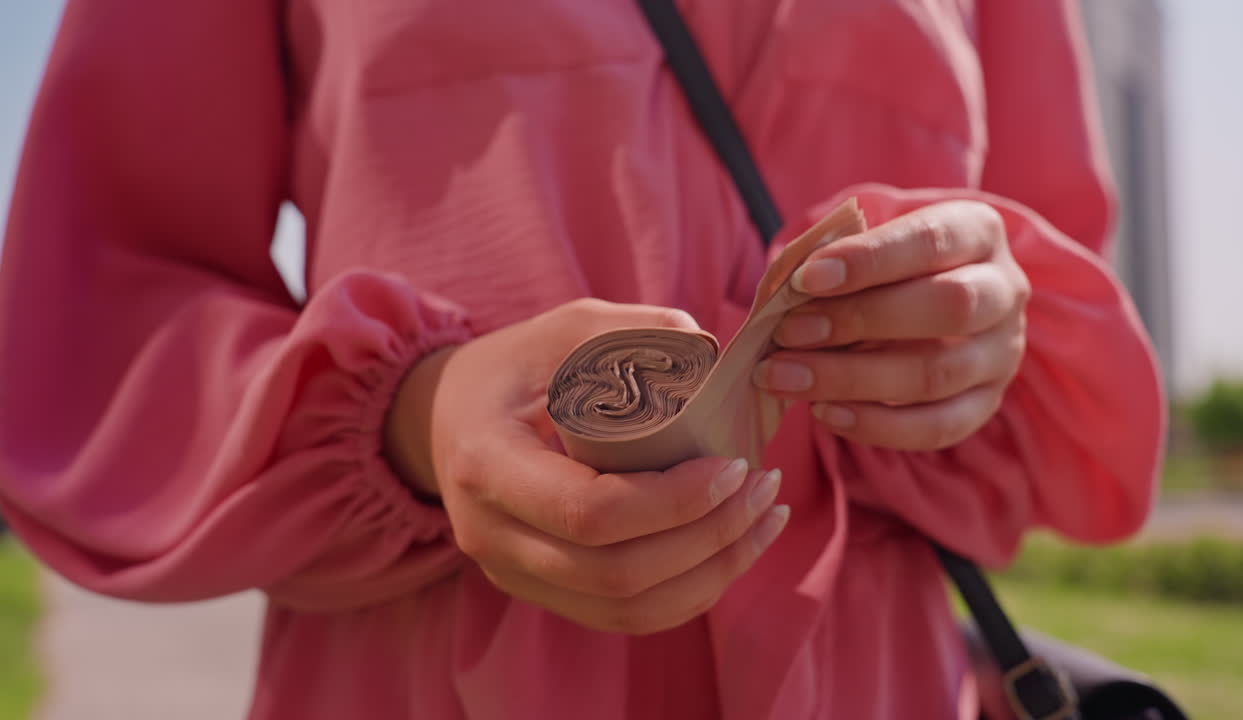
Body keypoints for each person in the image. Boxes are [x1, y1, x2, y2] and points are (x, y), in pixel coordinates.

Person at [0, 1, 1164, 718]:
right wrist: (417, 414)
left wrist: (976, 335)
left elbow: (1047, 315)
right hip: (428, 677)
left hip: (877, 684)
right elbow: (93, 308)